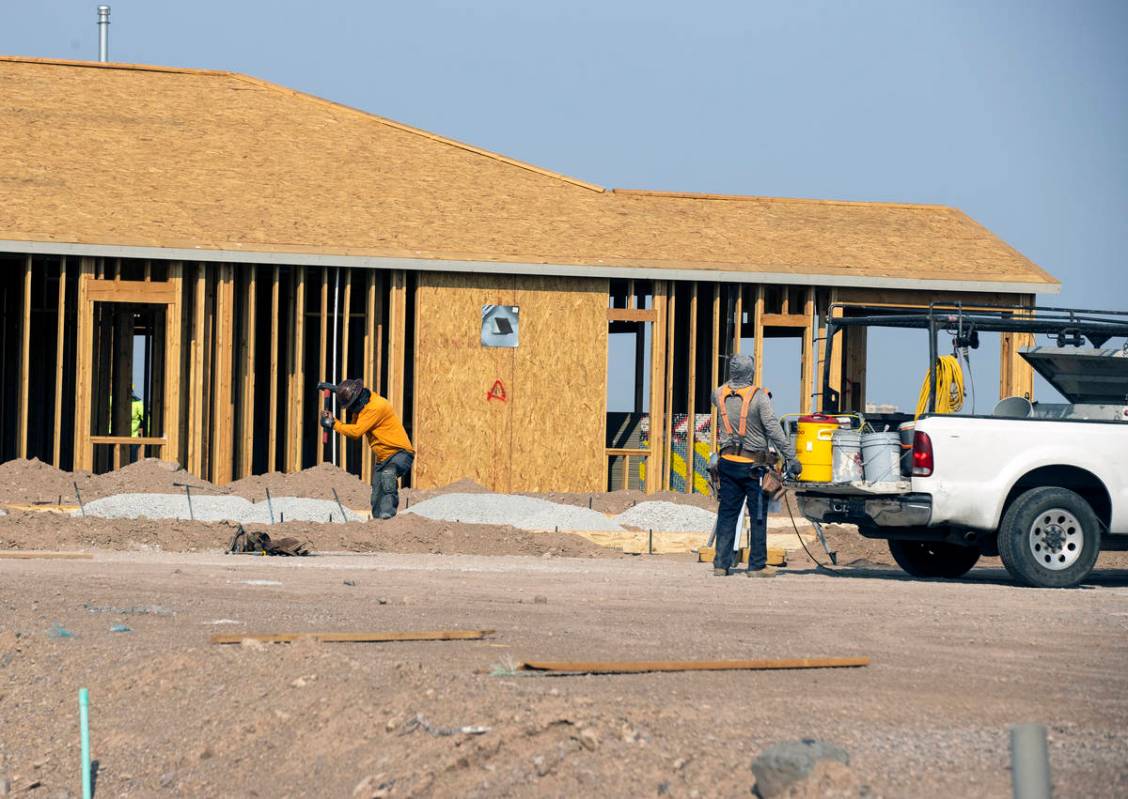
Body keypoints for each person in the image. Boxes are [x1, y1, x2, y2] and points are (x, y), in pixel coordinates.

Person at [711, 354, 801, 577]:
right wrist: (791, 457)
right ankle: (757, 565)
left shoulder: (718, 394)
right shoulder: (759, 398)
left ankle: (721, 564)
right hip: (753, 467)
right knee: (758, 515)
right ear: (750, 373)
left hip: (727, 463)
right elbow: (773, 429)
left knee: (727, 514)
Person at [320, 378, 415, 519]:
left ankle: (388, 517)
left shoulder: (376, 407)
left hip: (400, 454)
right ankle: (379, 524)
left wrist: (334, 424)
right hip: (383, 459)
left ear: (358, 400)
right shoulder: (361, 405)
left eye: (351, 405)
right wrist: (336, 390)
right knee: (376, 496)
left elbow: (356, 432)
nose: (351, 409)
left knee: (388, 474)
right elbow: (353, 422)